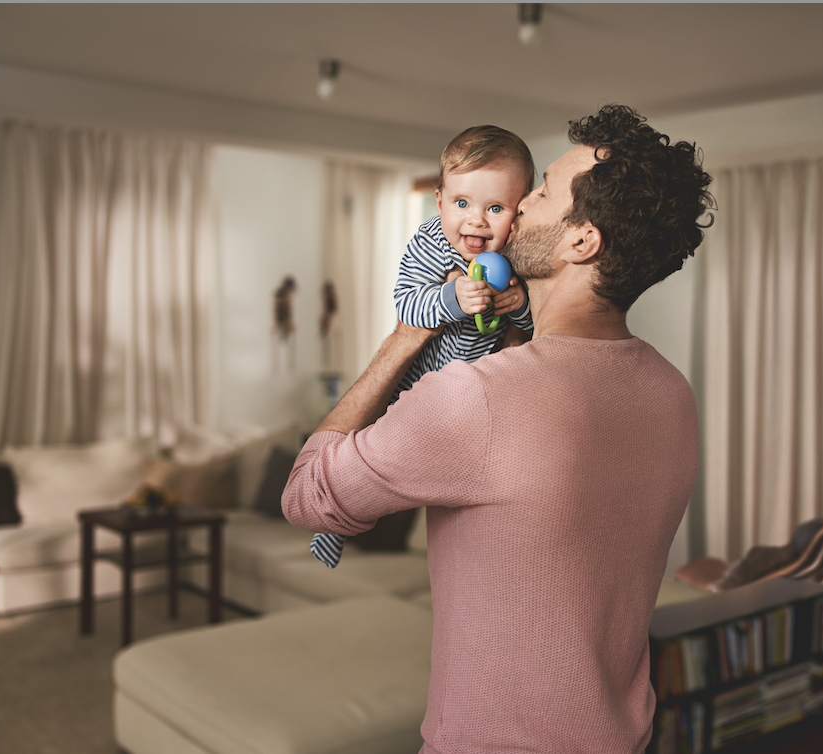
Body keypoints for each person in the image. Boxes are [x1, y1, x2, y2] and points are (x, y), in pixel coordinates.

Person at [283, 104, 714, 754]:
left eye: (541, 192)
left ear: (581, 241)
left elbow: (307, 495)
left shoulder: (478, 398)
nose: (518, 204)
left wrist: (406, 336)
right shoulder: (671, 391)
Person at [309, 125, 536, 568]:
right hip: (417, 379)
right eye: (462, 203)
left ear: (519, 211)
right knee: (371, 449)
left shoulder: (517, 255)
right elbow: (408, 306)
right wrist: (452, 298)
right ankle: (332, 524)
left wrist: (520, 305)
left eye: (495, 208)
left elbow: (534, 327)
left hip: (474, 391)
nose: (476, 220)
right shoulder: (432, 243)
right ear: (439, 202)